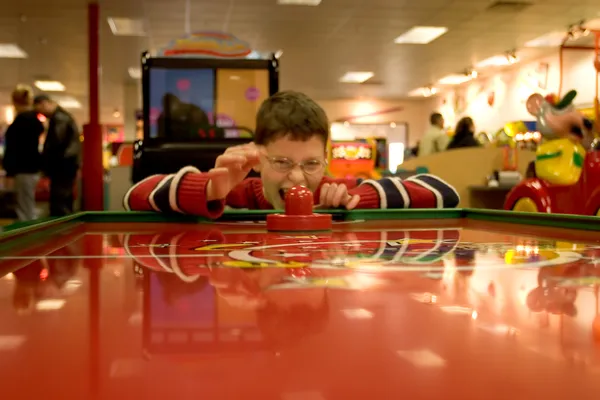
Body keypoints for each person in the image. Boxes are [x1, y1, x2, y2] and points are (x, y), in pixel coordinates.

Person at [124, 90, 460, 215]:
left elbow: (445, 192)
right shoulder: (234, 194)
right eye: (282, 162)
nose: (298, 176)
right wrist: (211, 189)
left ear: (325, 160)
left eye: (311, 163)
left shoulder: (335, 192)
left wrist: (357, 202)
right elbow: (133, 196)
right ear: (258, 157)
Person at [2, 85, 45, 221]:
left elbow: (13, 150)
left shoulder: (18, 124)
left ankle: (28, 237)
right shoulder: (35, 122)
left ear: (15, 102)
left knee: (24, 208)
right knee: (28, 204)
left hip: (22, 170)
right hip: (33, 169)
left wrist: (9, 172)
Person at [33, 94, 81, 216]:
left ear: (44, 103)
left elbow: (56, 142)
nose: (42, 114)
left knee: (60, 200)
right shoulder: (63, 117)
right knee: (65, 198)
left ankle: (62, 229)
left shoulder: (60, 119)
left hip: (62, 164)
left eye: (40, 110)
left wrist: (46, 161)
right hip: (67, 163)